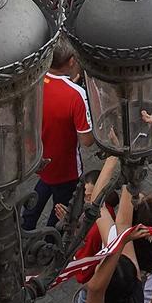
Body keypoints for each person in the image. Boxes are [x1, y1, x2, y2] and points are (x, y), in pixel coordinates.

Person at [24, 44, 93, 231]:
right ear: (71, 61)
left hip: (39, 159)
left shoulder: (33, 81)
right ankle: (50, 241)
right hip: (66, 169)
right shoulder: (76, 95)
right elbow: (87, 141)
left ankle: (26, 227)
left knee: (44, 186)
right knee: (63, 209)